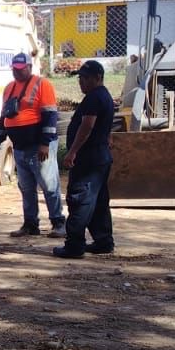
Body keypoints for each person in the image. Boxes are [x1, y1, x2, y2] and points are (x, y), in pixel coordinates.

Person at [53, 60, 116, 259]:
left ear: (98, 78)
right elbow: (104, 125)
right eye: (80, 78)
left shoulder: (94, 98)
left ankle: (74, 245)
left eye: (86, 78)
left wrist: (72, 151)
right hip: (100, 157)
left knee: (80, 200)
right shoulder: (104, 96)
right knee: (98, 202)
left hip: (89, 159)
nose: (81, 82)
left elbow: (87, 125)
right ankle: (103, 241)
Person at [0, 52, 64, 238]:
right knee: (26, 187)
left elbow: (50, 115)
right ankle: (30, 224)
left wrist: (45, 143)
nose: (17, 72)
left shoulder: (42, 84)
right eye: (14, 69)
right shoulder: (9, 88)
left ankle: (58, 223)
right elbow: (4, 116)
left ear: (29, 67)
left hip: (38, 146)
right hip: (20, 146)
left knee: (49, 185)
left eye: (21, 69)